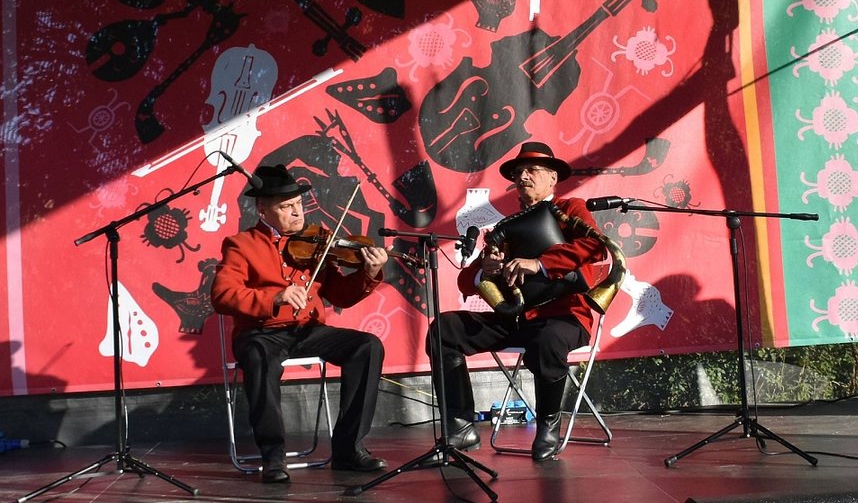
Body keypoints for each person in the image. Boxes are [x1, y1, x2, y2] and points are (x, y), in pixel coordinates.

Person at [427, 142, 607, 461]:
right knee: (445, 329)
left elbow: (595, 247)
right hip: (517, 319)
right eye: (518, 172)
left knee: (548, 340)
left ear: (552, 178)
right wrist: (485, 269)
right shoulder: (505, 230)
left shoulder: (570, 209)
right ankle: (460, 428)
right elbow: (465, 282)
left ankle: (548, 425)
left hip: (564, 317)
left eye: (532, 170)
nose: (523, 176)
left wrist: (539, 263)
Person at [211, 164, 389, 483]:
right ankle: (273, 456)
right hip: (261, 332)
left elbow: (340, 294)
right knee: (259, 358)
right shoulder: (241, 244)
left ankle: (348, 449)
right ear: (263, 210)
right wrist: (274, 298)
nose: (297, 213)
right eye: (286, 207)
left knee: (367, 346)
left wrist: (369, 273)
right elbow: (222, 295)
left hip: (307, 330)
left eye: (298, 204)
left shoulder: (318, 240)